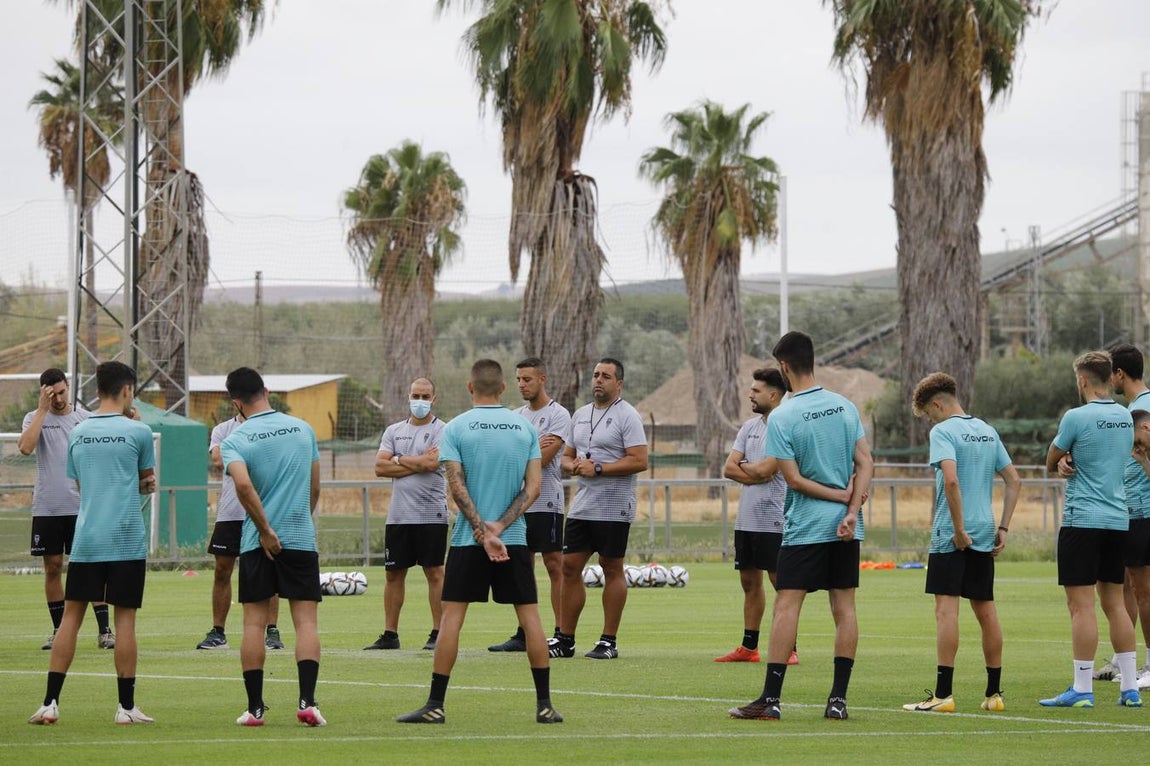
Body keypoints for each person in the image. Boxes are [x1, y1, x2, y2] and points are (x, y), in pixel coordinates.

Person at [397, 359, 561, 725]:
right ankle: (545, 706)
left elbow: (456, 486)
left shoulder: (456, 427)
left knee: (451, 618)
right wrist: (499, 527)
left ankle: (435, 705)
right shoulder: (525, 428)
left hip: (467, 541)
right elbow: (534, 487)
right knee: (530, 618)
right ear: (503, 388)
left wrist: (481, 531)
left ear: (470, 387)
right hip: (512, 539)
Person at [730, 331, 873, 722]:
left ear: (784, 367)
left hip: (807, 526)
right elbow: (866, 463)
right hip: (845, 526)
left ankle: (770, 700)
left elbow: (792, 480)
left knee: (786, 604)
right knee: (844, 607)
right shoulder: (844, 406)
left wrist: (840, 498)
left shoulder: (783, 416)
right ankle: (838, 701)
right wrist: (851, 507)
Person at [28, 361, 157, 725]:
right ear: (127, 390)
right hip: (126, 539)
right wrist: (142, 485)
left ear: (96, 390)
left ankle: (50, 703)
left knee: (70, 618)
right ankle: (126, 708)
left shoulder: (78, 433)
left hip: (87, 538)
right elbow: (147, 481)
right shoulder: (139, 431)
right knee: (125, 620)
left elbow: (80, 485)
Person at [901, 372, 1021, 713]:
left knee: (946, 610)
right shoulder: (987, 430)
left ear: (937, 404)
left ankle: (943, 695)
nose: (930, 420)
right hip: (985, 529)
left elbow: (951, 481)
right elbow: (1014, 480)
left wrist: (958, 529)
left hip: (952, 532)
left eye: (929, 414)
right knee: (986, 609)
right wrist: (1004, 527)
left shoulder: (943, 432)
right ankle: (994, 694)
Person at [219, 367, 326, 727]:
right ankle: (308, 703)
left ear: (236, 402)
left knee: (253, 624)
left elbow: (243, 487)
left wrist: (265, 530)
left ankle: (255, 709)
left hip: (257, 542)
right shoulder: (303, 429)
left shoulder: (235, 439)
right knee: (306, 622)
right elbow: (315, 487)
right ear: (266, 390)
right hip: (300, 537)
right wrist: (299, 521)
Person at [1040, 350, 1141, 708]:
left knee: (1081, 607)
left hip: (1082, 519)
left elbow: (1051, 459)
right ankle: (1130, 688)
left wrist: (1063, 459)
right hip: (1118, 520)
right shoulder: (1126, 417)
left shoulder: (1076, 416)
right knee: (1116, 604)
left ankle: (1082, 688)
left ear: (1082, 380)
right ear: (1110, 378)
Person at [550, 358, 649, 660]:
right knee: (569, 566)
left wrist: (600, 468)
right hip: (583, 505)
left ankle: (608, 641)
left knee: (611, 566)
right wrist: (573, 466)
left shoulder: (628, 415)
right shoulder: (580, 415)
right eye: (595, 375)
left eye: (606, 376)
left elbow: (639, 460)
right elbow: (566, 456)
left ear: (619, 383)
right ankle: (565, 639)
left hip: (614, 505)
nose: (598, 380)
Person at [18, 368, 116, 651]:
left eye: (62, 392)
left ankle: (105, 631)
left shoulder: (85, 420)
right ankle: (59, 631)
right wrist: (41, 410)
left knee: (92, 567)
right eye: (53, 395)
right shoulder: (34, 418)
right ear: (44, 393)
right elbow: (25, 448)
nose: (59, 399)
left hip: (83, 507)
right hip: (47, 507)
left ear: (68, 387)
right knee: (53, 567)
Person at [716, 367, 798, 665]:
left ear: (773, 395)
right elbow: (729, 468)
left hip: (775, 520)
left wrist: (749, 468)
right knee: (749, 583)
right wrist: (754, 471)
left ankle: (790, 649)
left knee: (781, 585)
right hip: (747, 520)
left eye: (756, 390)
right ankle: (749, 648)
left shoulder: (786, 426)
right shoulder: (748, 427)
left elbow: (768, 470)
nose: (750, 394)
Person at [489, 358, 572, 652]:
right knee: (522, 566)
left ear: (542, 379)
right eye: (519, 380)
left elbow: (545, 460)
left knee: (554, 564)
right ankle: (525, 633)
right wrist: (534, 446)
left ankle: (561, 633)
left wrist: (523, 450)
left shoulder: (559, 414)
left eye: (527, 379)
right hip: (520, 504)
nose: (522, 385)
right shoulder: (515, 416)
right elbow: (504, 458)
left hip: (546, 502)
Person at [364, 377, 448, 652]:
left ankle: (438, 633)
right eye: (416, 396)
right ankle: (390, 635)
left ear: (434, 399)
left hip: (431, 515)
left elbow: (432, 463)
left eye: (425, 396)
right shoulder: (393, 431)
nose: (420, 401)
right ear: (408, 396)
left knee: (434, 572)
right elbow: (380, 467)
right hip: (399, 516)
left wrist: (398, 459)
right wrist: (416, 462)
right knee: (393, 574)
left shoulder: (443, 430)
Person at [196, 411, 284, 651]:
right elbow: (219, 460)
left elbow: (272, 461)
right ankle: (218, 633)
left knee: (268, 570)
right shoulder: (223, 429)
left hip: (263, 511)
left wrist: (239, 454)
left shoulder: (270, 427)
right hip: (230, 513)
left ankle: (272, 631)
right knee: (222, 570)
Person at [1095, 343, 1150, 688]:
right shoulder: (1132, 408)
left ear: (1119, 373)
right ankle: (1123, 656)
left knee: (1143, 590)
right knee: (1128, 584)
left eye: (1110, 373)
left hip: (1143, 509)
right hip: (1128, 508)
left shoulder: (1143, 409)